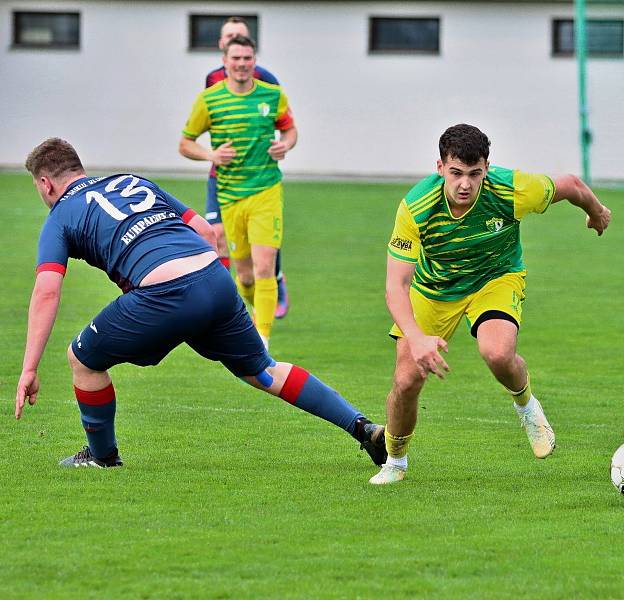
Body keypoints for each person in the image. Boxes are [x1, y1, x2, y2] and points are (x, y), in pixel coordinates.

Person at [14, 137, 386, 469]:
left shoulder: (60, 215)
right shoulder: (133, 181)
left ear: (46, 184)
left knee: (82, 358)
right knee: (263, 371)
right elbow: (206, 232)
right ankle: (362, 426)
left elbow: (47, 290)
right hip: (213, 278)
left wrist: (29, 368)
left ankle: (101, 457)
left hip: (163, 294)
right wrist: (201, 297)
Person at [370, 124, 612, 484]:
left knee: (497, 353)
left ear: (486, 167)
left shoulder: (511, 188)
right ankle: (395, 461)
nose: (465, 184)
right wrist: (417, 338)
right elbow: (396, 285)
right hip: (435, 288)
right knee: (407, 380)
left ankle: (527, 407)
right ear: (440, 168)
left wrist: (596, 211)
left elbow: (571, 186)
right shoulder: (416, 207)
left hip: (495, 277)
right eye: (456, 174)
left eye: (474, 174)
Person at [179, 34, 295, 349]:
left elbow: (290, 129)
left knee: (263, 267)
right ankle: (255, 311)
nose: (242, 64)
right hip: (230, 195)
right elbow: (185, 143)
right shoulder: (210, 100)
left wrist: (285, 144)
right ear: (225, 62)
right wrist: (210, 155)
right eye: (236, 58)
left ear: (254, 61)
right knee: (244, 275)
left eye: (247, 58)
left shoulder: (273, 96)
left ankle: (263, 340)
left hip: (266, 191)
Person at [203, 17, 290, 319]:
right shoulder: (211, 81)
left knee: (261, 254)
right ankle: (231, 298)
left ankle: (275, 277)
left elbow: (279, 122)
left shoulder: (267, 80)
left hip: (259, 180)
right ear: (221, 47)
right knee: (217, 236)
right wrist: (211, 154)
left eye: (240, 37)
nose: (234, 43)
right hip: (223, 176)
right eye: (229, 38)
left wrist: (283, 145)